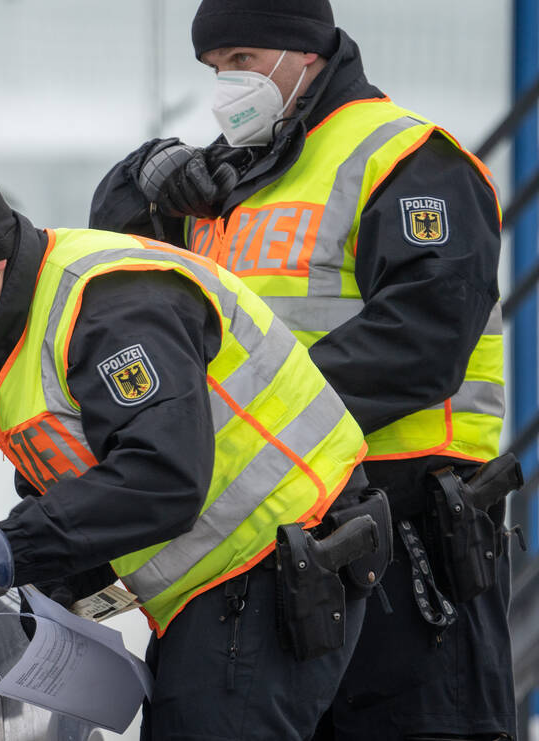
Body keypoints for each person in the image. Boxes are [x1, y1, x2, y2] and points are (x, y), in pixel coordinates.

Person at [89, 1, 515, 739]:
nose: (226, 85)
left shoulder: (409, 159)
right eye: (215, 69)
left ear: (305, 55)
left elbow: (422, 339)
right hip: (267, 554)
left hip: (407, 551)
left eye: (243, 61)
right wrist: (142, 176)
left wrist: (251, 428)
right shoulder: (230, 179)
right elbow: (119, 279)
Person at [0, 157, 391, 740]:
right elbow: (79, 484)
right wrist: (42, 590)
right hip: (224, 584)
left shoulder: (112, 306)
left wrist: (7, 549)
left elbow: (161, 478)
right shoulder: (14, 333)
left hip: (274, 565)